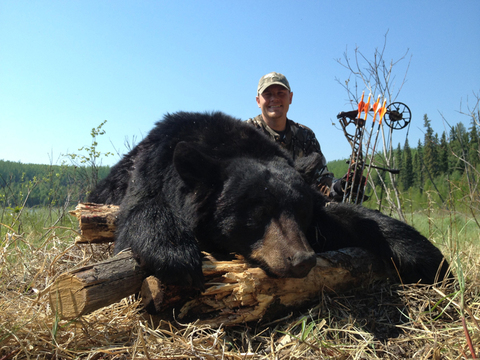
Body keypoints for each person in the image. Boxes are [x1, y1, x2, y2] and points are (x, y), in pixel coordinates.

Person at [246, 72, 347, 201]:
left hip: (297, 210)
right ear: (258, 101)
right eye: (268, 94)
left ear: (290, 97)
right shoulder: (245, 134)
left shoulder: (305, 136)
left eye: (280, 93)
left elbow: (321, 180)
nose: (274, 99)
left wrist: (340, 187)